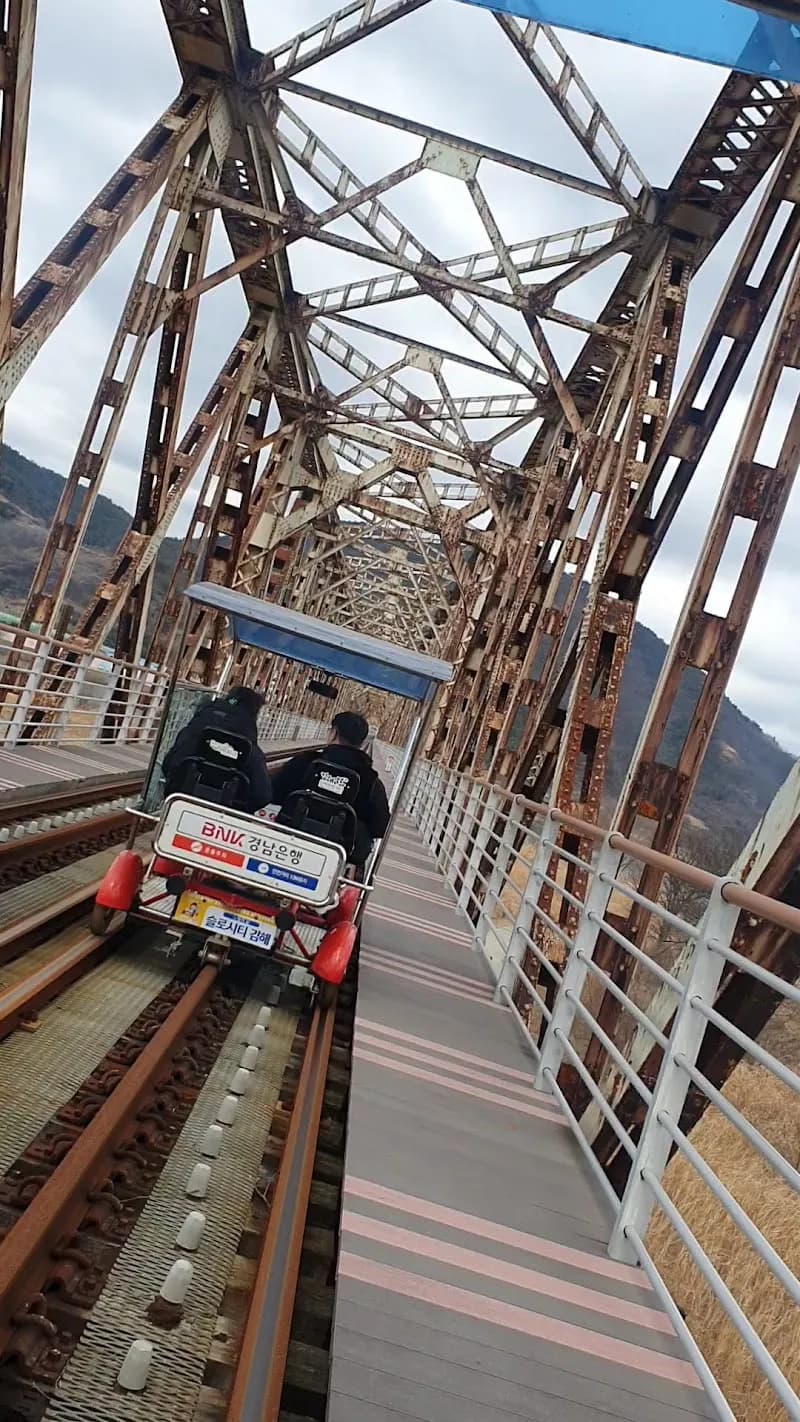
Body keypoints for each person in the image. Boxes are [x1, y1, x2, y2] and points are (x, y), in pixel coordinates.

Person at [271, 709, 390, 867]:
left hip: (289, 840)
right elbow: (380, 828)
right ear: (361, 743)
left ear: (333, 733)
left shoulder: (304, 762)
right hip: (338, 856)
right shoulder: (371, 781)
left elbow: (273, 793)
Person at [161, 684, 272, 813]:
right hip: (222, 819)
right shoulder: (250, 747)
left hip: (180, 804)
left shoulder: (193, 730)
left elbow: (168, 765)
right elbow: (262, 796)